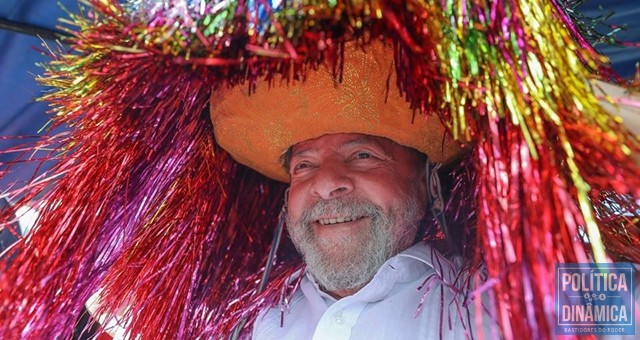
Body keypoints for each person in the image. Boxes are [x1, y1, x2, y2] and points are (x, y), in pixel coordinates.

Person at [0, 1, 639, 339]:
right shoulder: (236, 319)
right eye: (302, 164)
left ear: (428, 181)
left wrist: (593, 114)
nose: (327, 181)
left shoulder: (503, 303)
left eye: (363, 154)